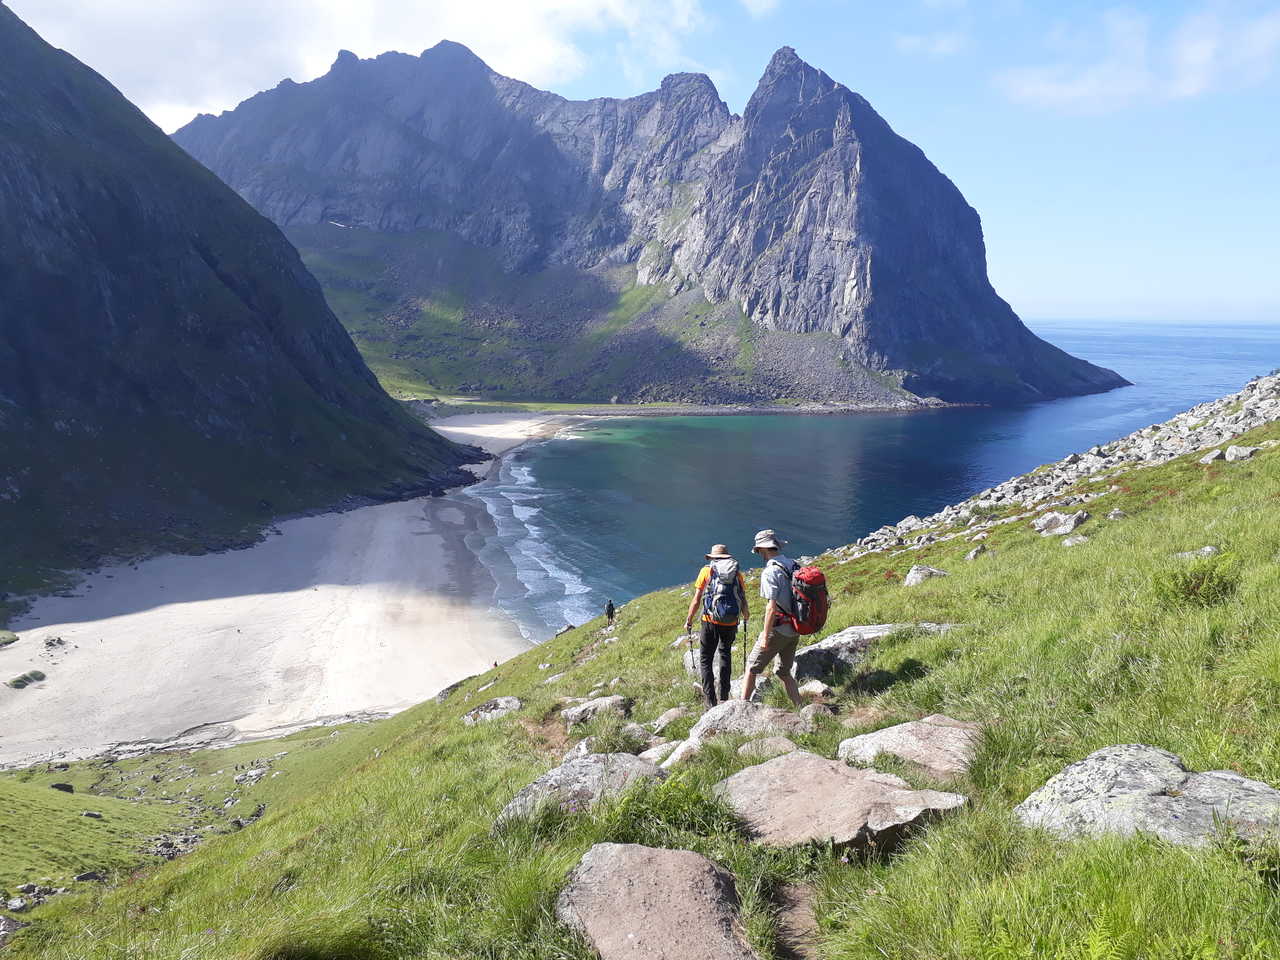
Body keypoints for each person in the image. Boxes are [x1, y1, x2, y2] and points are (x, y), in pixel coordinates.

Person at [741, 529, 804, 707]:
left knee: (751, 667)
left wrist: (765, 637)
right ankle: (800, 707)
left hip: (778, 629)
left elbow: (771, 608)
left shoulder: (770, 572)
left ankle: (740, 708)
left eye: (759, 551)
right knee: (783, 672)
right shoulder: (794, 564)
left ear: (763, 550)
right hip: (795, 628)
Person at [683, 544, 749, 706]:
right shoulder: (736, 573)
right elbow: (742, 596)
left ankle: (710, 701)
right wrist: (745, 615)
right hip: (731, 621)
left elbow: (697, 598)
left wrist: (689, 619)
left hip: (709, 620)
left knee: (706, 659)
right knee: (725, 654)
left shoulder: (707, 571)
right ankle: (724, 697)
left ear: (713, 557)